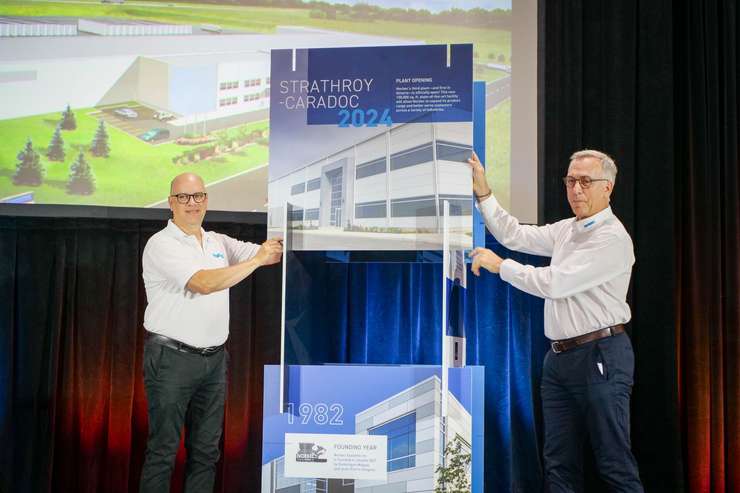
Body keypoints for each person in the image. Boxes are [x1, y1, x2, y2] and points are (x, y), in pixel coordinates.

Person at [468, 150, 644, 492]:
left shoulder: (612, 238)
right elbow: (514, 235)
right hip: (560, 360)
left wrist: (499, 265)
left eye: (585, 181)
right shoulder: (568, 229)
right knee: (558, 463)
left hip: (600, 355)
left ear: (608, 187)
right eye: (570, 181)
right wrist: (484, 193)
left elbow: (556, 283)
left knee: (613, 461)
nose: (576, 189)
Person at [140, 172, 282, 493]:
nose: (192, 204)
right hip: (170, 360)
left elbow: (266, 253)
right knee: (163, 451)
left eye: (198, 196)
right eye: (184, 197)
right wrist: (257, 260)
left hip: (214, 361)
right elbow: (203, 283)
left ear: (206, 199)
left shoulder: (217, 241)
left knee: (206, 452)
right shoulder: (161, 244)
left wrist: (285, 224)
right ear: (171, 203)